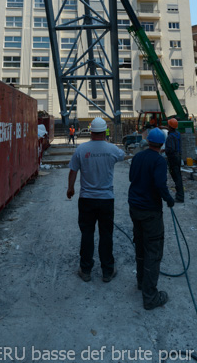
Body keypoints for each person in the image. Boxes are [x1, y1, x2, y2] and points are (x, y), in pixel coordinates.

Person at [67, 117, 126, 283]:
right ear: (105, 131)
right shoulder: (112, 149)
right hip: (106, 199)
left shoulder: (82, 149)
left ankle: (85, 270)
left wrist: (70, 188)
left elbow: (73, 170)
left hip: (86, 199)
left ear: (91, 131)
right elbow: (122, 156)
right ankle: (107, 271)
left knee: (87, 234)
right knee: (106, 235)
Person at [128, 128, 175, 310]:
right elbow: (159, 185)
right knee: (153, 251)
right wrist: (169, 200)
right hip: (150, 211)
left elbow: (132, 177)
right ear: (161, 144)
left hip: (135, 208)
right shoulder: (159, 161)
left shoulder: (138, 157)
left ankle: (141, 282)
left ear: (148, 142)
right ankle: (150, 296)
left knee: (140, 246)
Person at [165, 118, 184, 203]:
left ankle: (180, 197)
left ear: (170, 126)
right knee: (178, 176)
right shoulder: (177, 134)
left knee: (176, 177)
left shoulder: (170, 136)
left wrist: (165, 151)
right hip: (178, 157)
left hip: (173, 158)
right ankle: (179, 195)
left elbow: (170, 148)